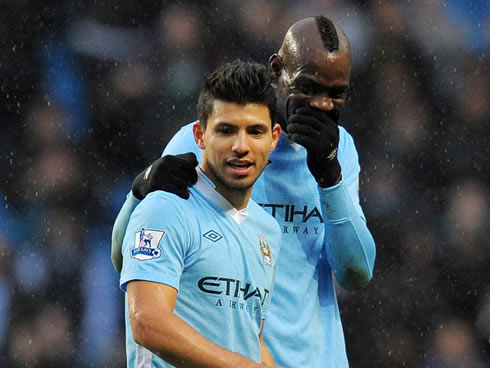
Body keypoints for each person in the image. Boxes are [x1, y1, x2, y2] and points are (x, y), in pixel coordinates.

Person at [114, 15, 376, 367]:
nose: (322, 105)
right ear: (277, 70)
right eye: (309, 87)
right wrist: (139, 192)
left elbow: (356, 272)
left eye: (336, 93)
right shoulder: (203, 143)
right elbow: (132, 262)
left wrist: (329, 175)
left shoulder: (339, 150)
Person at [119, 60, 283, 367]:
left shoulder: (268, 230)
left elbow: (250, 336)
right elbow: (147, 322)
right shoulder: (165, 208)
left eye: (255, 131)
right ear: (200, 135)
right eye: (226, 130)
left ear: (274, 137)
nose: (241, 146)